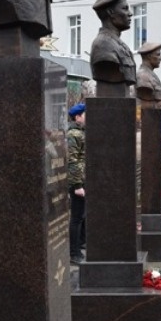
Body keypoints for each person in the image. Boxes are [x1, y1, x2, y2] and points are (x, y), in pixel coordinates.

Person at [89, 0, 136, 95]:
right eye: (125, 8)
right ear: (110, 12)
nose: (130, 14)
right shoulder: (102, 45)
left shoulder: (119, 45)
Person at [66, 103, 86, 265]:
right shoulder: (73, 134)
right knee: (76, 218)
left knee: (82, 216)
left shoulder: (81, 132)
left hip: (83, 179)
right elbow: (72, 160)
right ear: (77, 116)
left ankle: (81, 244)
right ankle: (74, 253)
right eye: (85, 114)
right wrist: (77, 185)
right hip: (77, 182)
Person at [135, 41, 161, 107]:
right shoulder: (143, 76)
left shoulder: (150, 74)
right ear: (149, 56)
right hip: (147, 115)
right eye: (158, 55)